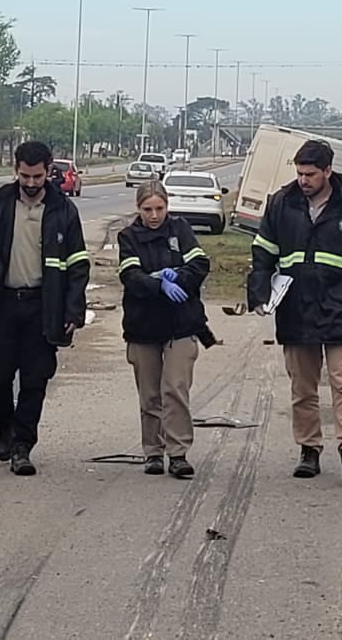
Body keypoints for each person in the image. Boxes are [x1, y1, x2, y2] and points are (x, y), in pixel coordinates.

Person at [249, 140, 342, 483]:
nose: (303, 180)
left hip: (341, 309)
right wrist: (258, 294)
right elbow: (263, 253)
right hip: (296, 311)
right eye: (299, 173)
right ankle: (309, 449)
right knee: (303, 388)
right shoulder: (282, 204)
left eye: (310, 174)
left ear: (328, 171)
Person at [0, 140, 90, 475]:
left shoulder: (64, 211)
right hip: (3, 304)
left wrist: (73, 311)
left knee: (35, 380)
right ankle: (4, 426)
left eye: (37, 176)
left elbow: (78, 265)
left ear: (49, 170)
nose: (31, 183)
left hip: (43, 307)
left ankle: (22, 446)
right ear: (15, 170)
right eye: (25, 176)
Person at [116, 181, 215, 480]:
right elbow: (131, 275)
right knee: (150, 394)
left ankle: (178, 452)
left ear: (167, 207)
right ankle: (153, 452)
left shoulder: (180, 230)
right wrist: (158, 283)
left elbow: (199, 264)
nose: (154, 215)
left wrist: (179, 277)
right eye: (148, 209)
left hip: (181, 324)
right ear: (139, 209)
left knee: (175, 389)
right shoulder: (129, 236)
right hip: (143, 325)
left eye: (160, 208)